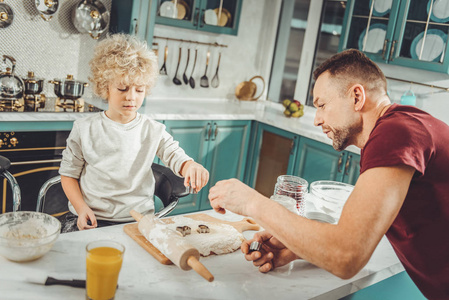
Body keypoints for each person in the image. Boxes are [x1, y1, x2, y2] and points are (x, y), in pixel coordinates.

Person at [208, 49, 449, 299]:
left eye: (322, 105)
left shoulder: (395, 134)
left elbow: (346, 256)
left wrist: (252, 202)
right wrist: (299, 247)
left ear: (357, 96)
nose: (317, 119)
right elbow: (367, 233)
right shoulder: (407, 125)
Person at [59, 34, 209, 232]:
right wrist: (81, 208)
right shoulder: (84, 128)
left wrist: (190, 165)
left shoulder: (153, 129)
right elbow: (68, 175)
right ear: (105, 87)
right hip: (91, 218)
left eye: (139, 90)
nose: (131, 97)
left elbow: (174, 154)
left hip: (138, 221)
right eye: (122, 88)